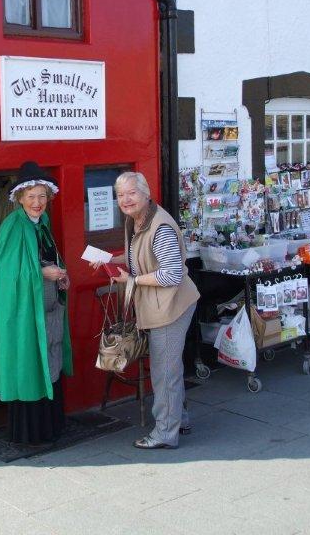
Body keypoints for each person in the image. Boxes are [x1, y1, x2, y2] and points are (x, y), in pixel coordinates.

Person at [102, 171, 200, 449]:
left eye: (131, 193)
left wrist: (131, 280)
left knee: (164, 372)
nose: (125, 200)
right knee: (169, 367)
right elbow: (138, 256)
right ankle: (179, 420)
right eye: (120, 195)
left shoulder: (160, 227)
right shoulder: (137, 220)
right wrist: (111, 259)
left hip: (171, 306)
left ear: (146, 193)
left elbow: (172, 274)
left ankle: (165, 433)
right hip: (159, 304)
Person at [0, 161, 73, 444]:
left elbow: (47, 258)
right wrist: (42, 273)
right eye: (31, 196)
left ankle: (50, 427)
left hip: (47, 310)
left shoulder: (42, 224)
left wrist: (61, 277)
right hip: (25, 313)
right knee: (29, 363)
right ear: (20, 198)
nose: (37, 202)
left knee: (50, 359)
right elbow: (6, 274)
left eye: (42, 196)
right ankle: (30, 433)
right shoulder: (13, 226)